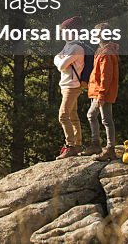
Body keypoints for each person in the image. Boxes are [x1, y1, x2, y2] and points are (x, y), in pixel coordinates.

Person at [83, 21, 119, 161]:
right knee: (98, 117)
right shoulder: (101, 51)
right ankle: (97, 144)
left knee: (103, 119)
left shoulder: (106, 53)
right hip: (97, 91)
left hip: (102, 92)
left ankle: (108, 148)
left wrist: (102, 94)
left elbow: (106, 76)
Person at [53, 16, 86, 159]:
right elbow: (56, 58)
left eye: (64, 30)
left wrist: (59, 59)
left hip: (72, 86)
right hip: (66, 85)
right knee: (72, 115)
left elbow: (60, 64)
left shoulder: (77, 48)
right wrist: (59, 59)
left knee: (63, 115)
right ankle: (77, 145)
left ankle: (70, 146)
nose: (62, 33)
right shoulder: (68, 46)